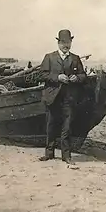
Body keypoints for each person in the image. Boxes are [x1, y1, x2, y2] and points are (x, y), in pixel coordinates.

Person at [38, 29, 87, 165]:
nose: (66, 45)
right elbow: (42, 74)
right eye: (64, 42)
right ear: (58, 43)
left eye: (68, 42)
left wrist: (76, 77)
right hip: (52, 96)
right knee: (51, 125)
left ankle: (67, 156)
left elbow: (84, 76)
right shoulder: (49, 57)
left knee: (67, 127)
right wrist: (57, 77)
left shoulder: (75, 58)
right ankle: (49, 154)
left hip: (69, 98)